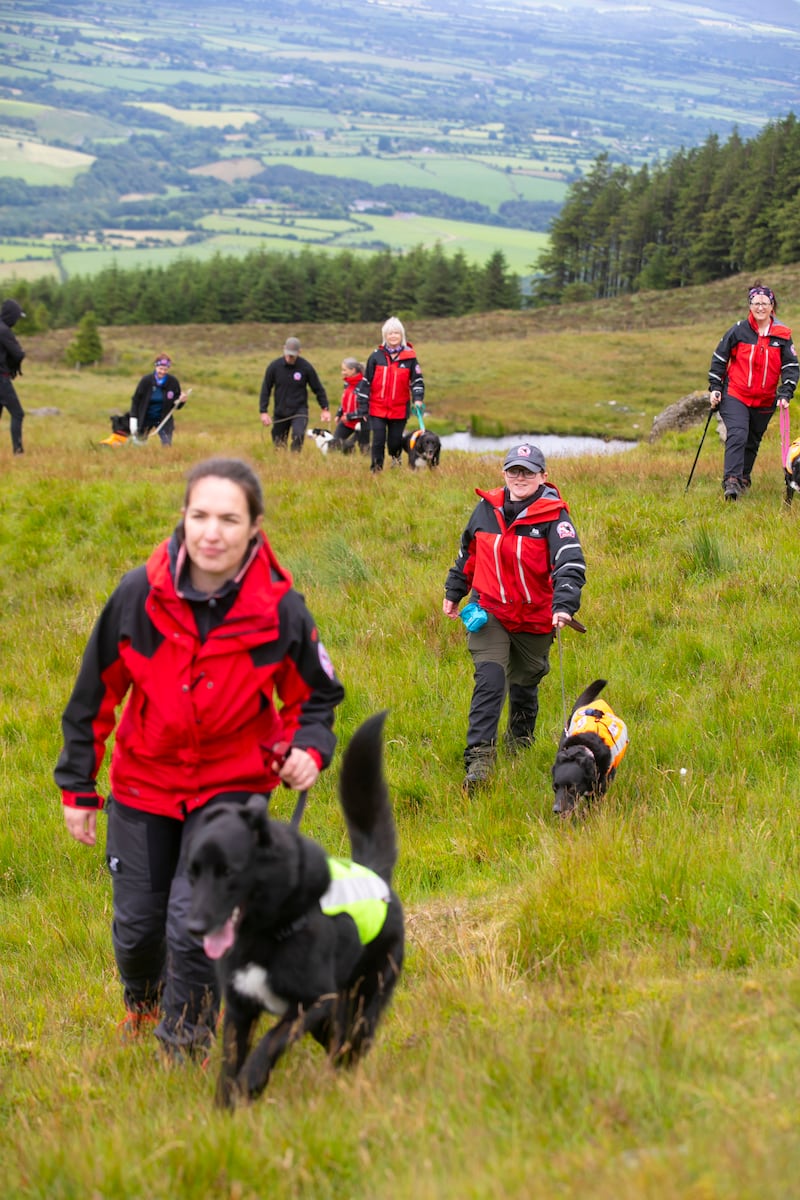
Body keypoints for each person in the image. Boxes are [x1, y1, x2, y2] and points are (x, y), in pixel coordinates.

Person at [54, 457, 345, 1058]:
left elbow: (313, 698)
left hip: (233, 792)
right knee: (137, 929)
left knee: (196, 923)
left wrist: (309, 750)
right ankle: (142, 1005)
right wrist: (78, 788)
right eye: (200, 516)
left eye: (229, 519)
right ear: (183, 519)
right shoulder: (137, 596)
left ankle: (183, 1045)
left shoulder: (281, 611)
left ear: (255, 527)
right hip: (142, 787)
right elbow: (93, 696)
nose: (212, 532)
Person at [442, 444, 587, 795]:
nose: (520, 478)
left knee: (525, 680)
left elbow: (570, 564)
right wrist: (454, 590)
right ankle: (479, 760)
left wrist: (564, 605)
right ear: (504, 473)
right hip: (490, 610)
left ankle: (520, 737)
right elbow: (468, 552)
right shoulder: (485, 509)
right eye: (513, 471)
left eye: (528, 471)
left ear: (543, 477)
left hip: (536, 618)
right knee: (490, 679)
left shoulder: (555, 517)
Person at [708, 282, 799, 500]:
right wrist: (715, 388)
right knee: (738, 433)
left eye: (764, 303)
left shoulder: (783, 335)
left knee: (752, 440)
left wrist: (785, 392)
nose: (760, 307)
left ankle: (743, 478)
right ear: (750, 305)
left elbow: (791, 367)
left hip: (766, 399)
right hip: (736, 394)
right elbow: (720, 359)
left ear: (772, 305)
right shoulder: (738, 330)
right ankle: (731, 481)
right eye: (756, 303)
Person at [357, 317, 425, 473]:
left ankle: (396, 459)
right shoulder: (376, 357)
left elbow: (417, 382)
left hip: (399, 409)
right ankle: (376, 470)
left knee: (394, 442)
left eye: (396, 333)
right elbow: (366, 382)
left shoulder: (410, 358)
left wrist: (418, 400)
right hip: (377, 408)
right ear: (385, 336)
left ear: (401, 335)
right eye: (390, 333)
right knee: (378, 440)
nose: (393, 336)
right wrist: (363, 407)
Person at [259, 336, 330, 452]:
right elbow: (265, 389)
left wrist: (325, 408)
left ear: (299, 352)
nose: (289, 357)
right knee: (278, 442)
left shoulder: (306, 367)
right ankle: (282, 463)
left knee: (298, 435)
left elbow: (318, 388)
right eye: (288, 354)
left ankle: (294, 459)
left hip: (299, 410)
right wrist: (263, 411)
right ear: (283, 349)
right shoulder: (274, 367)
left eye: (292, 355)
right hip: (280, 411)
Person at [129, 354, 188, 445]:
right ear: (156, 366)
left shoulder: (173, 382)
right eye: (160, 368)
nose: (163, 371)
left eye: (165, 369)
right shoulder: (146, 380)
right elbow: (136, 400)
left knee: (167, 444)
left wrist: (182, 401)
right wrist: (133, 417)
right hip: (146, 417)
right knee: (139, 443)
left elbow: (176, 406)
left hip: (163, 419)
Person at [0, 298, 26, 455]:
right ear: (11, 316)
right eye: (17, 317)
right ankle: (18, 451)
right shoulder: (4, 331)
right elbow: (18, 353)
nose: (17, 321)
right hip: (1, 379)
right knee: (17, 413)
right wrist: (13, 367)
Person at [334, 357, 369, 453]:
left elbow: (366, 408)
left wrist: (349, 416)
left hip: (362, 422)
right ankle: (346, 460)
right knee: (335, 443)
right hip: (346, 421)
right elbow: (344, 401)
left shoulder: (364, 384)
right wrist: (338, 414)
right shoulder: (347, 383)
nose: (342, 372)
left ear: (353, 370)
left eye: (344, 370)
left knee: (364, 448)